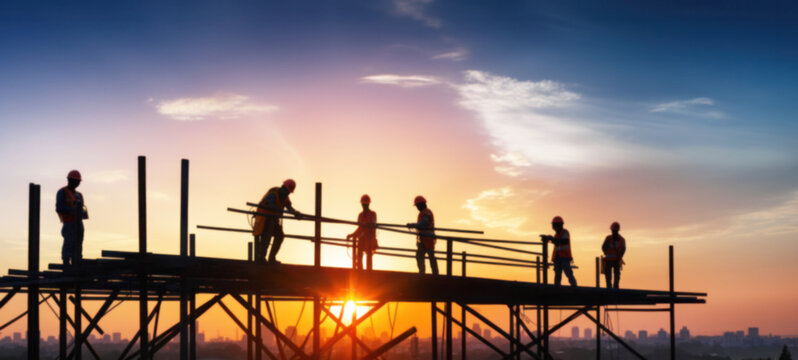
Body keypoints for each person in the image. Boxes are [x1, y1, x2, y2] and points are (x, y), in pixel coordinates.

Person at [251, 179, 303, 264]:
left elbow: (290, 208)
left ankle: (271, 258)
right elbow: (270, 205)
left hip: (273, 218)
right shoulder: (273, 194)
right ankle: (261, 258)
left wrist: (296, 214)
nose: (288, 193)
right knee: (266, 236)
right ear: (283, 187)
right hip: (264, 218)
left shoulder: (285, 198)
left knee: (280, 236)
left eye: (289, 192)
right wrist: (278, 209)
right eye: (287, 191)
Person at [56, 170, 88, 266]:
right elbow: (59, 208)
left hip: (79, 224)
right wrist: (72, 210)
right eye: (75, 181)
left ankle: (76, 263)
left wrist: (81, 211)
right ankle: (66, 265)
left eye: (78, 181)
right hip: (69, 223)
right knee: (69, 244)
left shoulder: (79, 195)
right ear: (69, 180)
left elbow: (82, 208)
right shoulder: (62, 192)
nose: (77, 183)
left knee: (78, 244)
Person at [540, 216, 577, 287]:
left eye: (554, 225)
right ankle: (557, 288)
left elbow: (563, 241)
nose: (553, 227)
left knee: (568, 272)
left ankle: (574, 287)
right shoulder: (556, 235)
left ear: (559, 225)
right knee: (557, 274)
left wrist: (551, 238)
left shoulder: (565, 232)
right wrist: (548, 239)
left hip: (565, 257)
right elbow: (556, 242)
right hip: (557, 258)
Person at [407, 196, 438, 275]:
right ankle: (423, 273)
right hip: (424, 239)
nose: (417, 207)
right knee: (420, 256)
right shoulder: (424, 212)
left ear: (421, 204)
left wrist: (413, 225)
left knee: (431, 257)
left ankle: (434, 274)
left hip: (428, 239)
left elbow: (424, 223)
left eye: (417, 205)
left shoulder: (426, 213)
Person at [347, 194, 378, 270]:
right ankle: (360, 270)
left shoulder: (373, 214)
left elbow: (370, 225)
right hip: (362, 239)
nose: (364, 205)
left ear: (368, 204)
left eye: (365, 204)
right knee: (359, 256)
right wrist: (352, 235)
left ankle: (368, 272)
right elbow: (360, 228)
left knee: (368, 257)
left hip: (370, 239)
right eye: (363, 204)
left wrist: (354, 234)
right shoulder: (360, 215)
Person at [602, 222, 626, 289]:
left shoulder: (622, 240)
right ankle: (609, 288)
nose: (613, 232)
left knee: (617, 275)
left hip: (617, 260)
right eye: (612, 231)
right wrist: (606, 252)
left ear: (617, 231)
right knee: (609, 276)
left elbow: (623, 249)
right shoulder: (608, 238)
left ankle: (615, 288)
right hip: (609, 260)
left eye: (614, 231)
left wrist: (620, 256)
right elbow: (603, 247)